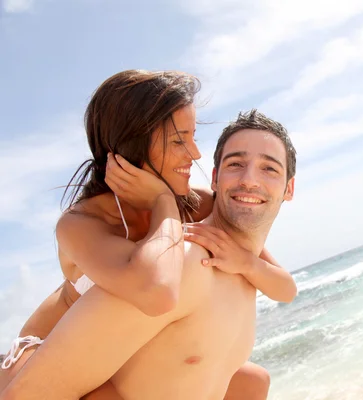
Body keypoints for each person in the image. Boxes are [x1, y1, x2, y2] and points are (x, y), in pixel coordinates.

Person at [0, 70, 297, 399]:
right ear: (135, 142)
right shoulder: (84, 223)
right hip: (42, 353)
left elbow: (283, 286)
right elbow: (157, 292)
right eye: (179, 140)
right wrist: (163, 203)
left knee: (251, 381)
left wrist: (246, 263)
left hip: (115, 349)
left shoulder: (198, 203)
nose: (195, 153)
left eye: (194, 136)